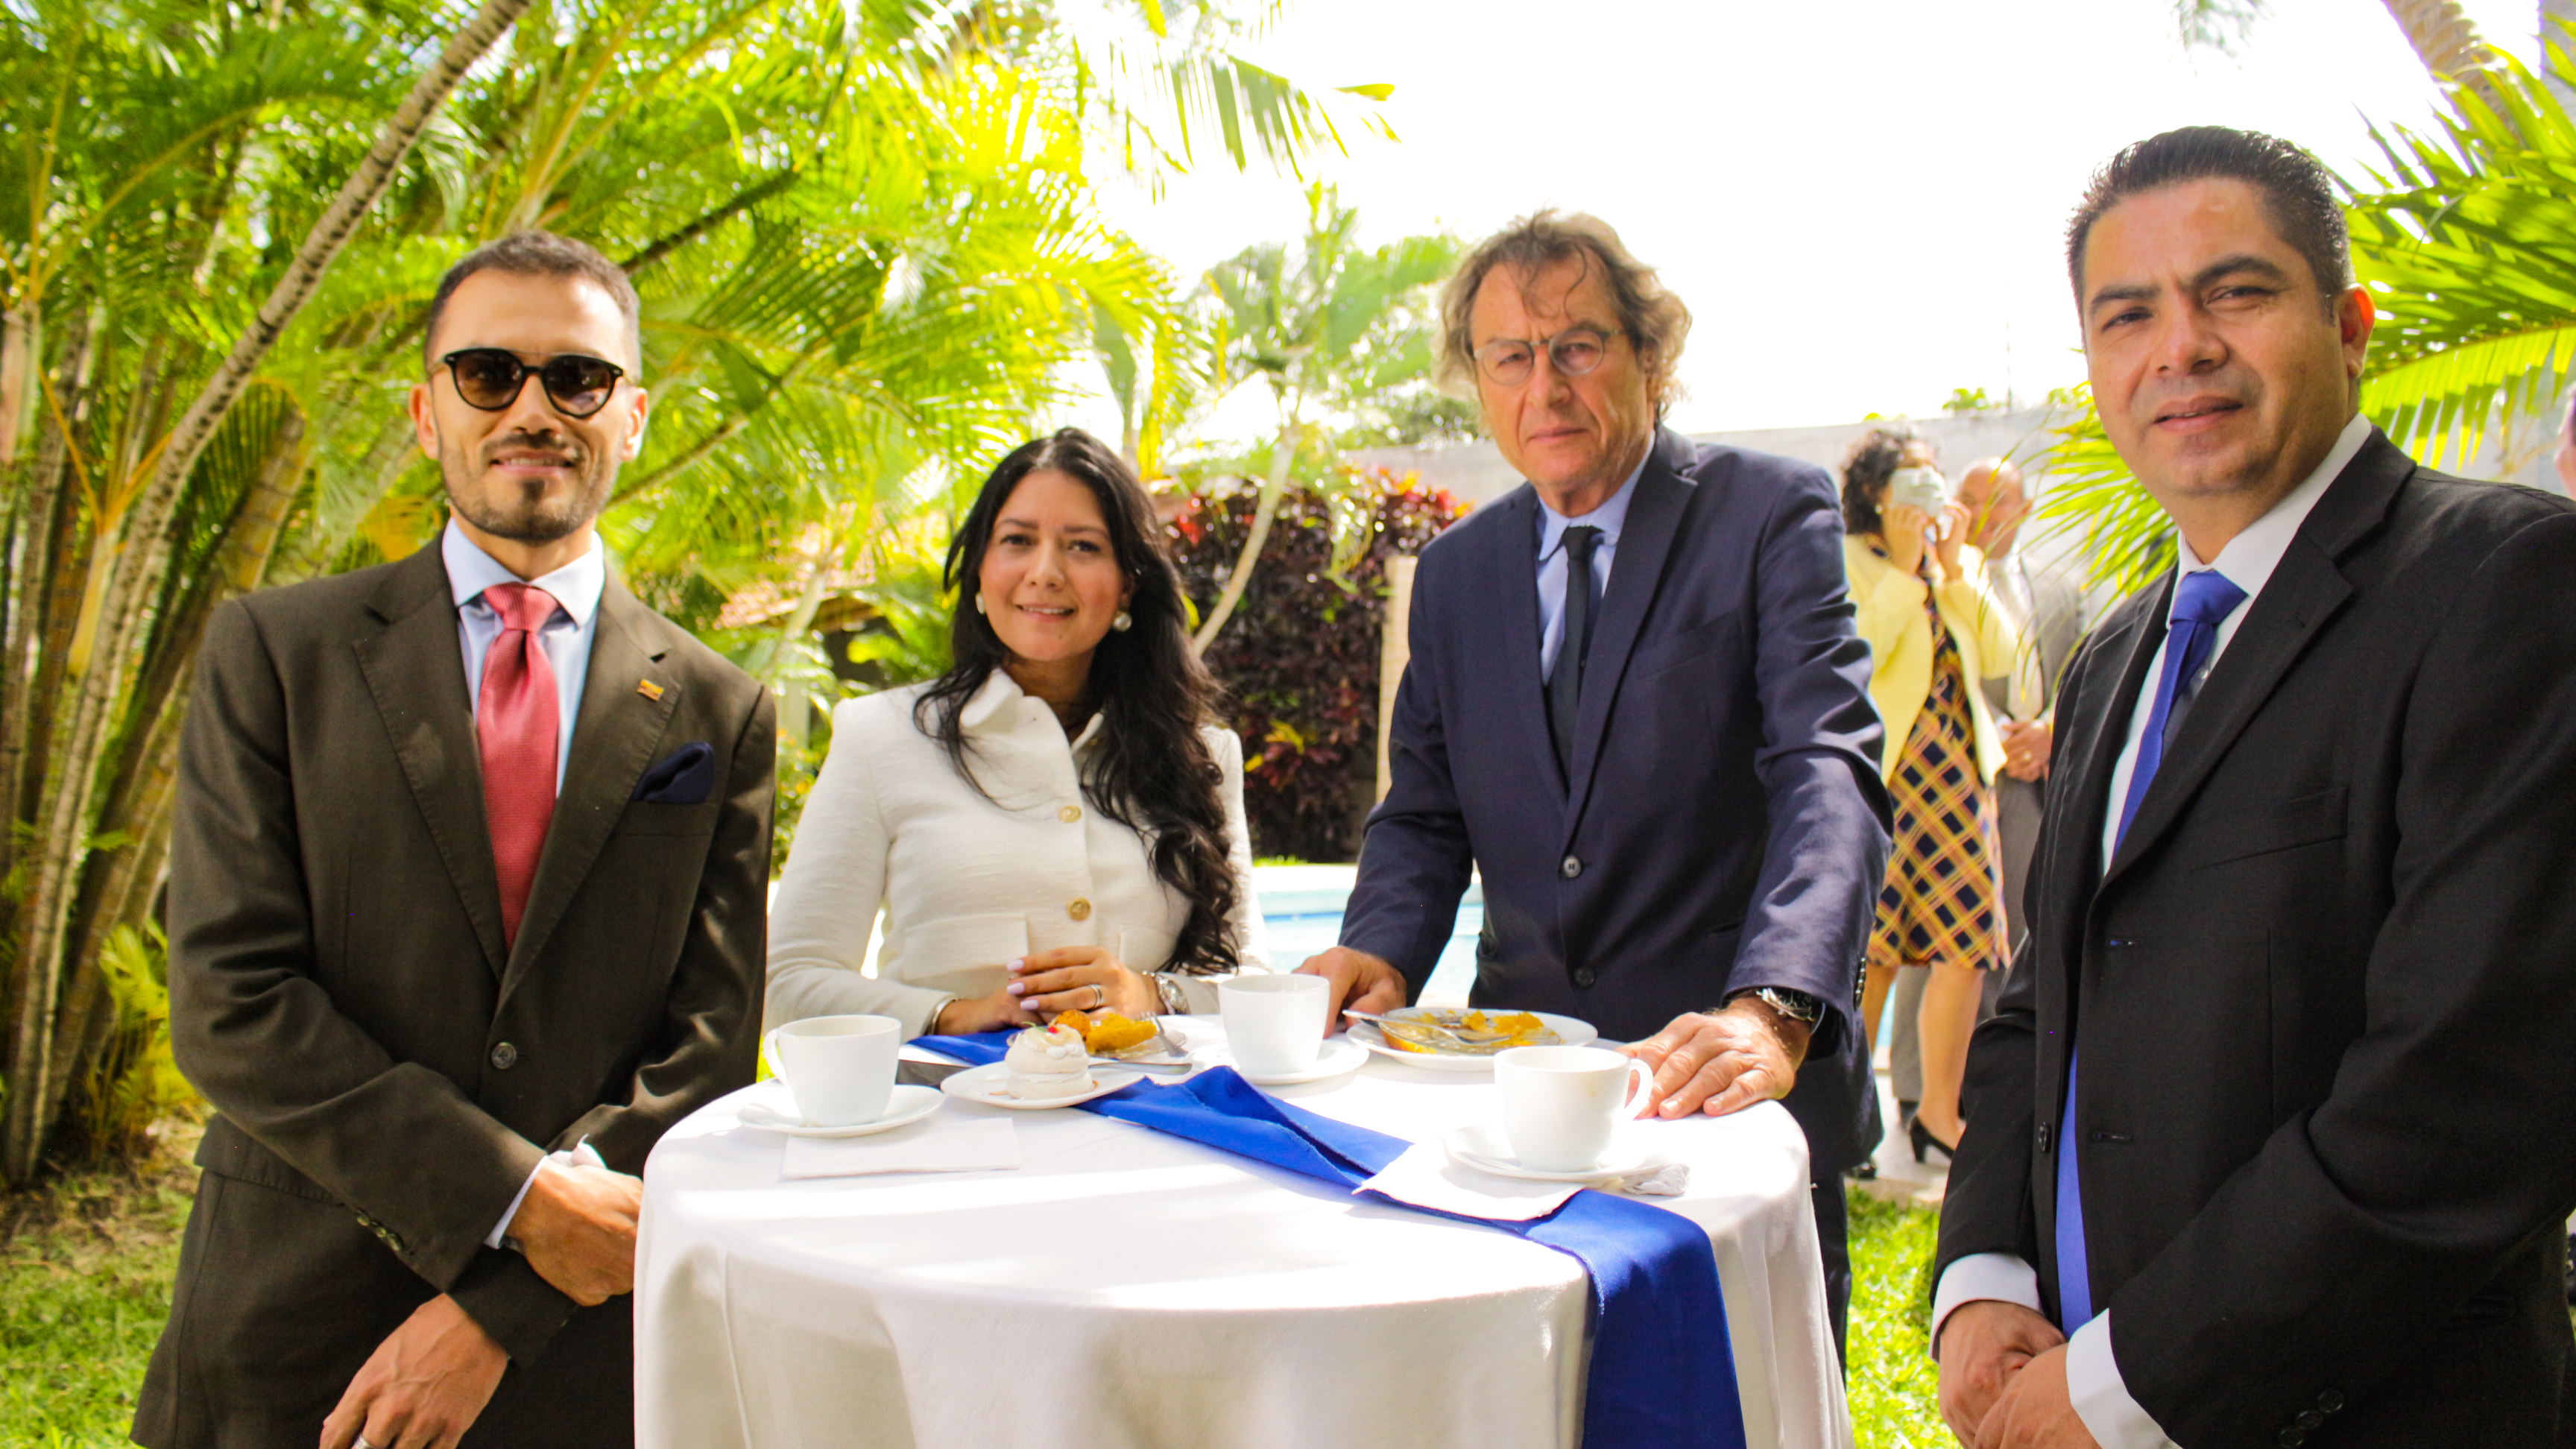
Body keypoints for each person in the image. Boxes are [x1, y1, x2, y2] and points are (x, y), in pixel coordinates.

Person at [1934, 126, 2576, 1448]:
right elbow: (2038, 997)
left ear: (2350, 327)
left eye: (2235, 290)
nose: (2179, 346)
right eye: (2127, 316)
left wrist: (2129, 1378)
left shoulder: (2510, 589)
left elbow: (2464, 1098)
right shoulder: (2121, 648)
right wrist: (1985, 1272)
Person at [136, 232, 774, 1449]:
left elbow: (706, 1050)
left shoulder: (719, 707)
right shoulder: (274, 653)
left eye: (576, 379)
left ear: (630, 415)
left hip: (579, 1357)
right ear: (427, 414)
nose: (532, 407)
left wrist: (500, 1304)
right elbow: (229, 995)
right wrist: (517, 1197)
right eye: (487, 373)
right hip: (292, 1319)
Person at [1295, 211, 1891, 1355]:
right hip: (1508, 1095)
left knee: (1734, 1397)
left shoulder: (1770, 515)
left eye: (1578, 346)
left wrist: (1773, 1002)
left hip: (1713, 1083)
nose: (1546, 386)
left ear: (1651, 359)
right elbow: (1424, 810)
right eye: (1510, 357)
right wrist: (1378, 942)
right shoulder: (1460, 574)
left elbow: (1827, 769)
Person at [765, 428, 1267, 1039]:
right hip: (944, 1120)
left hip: (1149, 1124)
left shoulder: (1202, 757)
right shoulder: (881, 737)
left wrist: (1150, 994)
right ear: (980, 569)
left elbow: (1254, 986)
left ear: (1128, 585)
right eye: (1017, 541)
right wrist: (951, 1015)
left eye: (1083, 547)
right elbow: (789, 981)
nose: (1045, 572)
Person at [1841, 429, 2023, 1166]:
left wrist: (1950, 573)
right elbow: (1855, 657)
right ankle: (1848, 1120)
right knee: (1872, 953)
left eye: (1930, 485)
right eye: (1908, 488)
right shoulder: (1848, 563)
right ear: (1876, 496)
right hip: (1884, 777)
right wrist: (1906, 573)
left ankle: (1940, 1116)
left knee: (1966, 948)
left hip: (1957, 776)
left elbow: (2005, 654)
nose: (1923, 502)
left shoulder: (1961, 563)